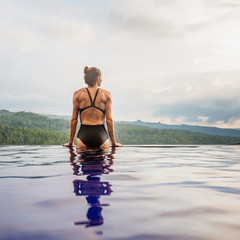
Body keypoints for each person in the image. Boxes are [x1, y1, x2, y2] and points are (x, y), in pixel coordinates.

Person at [63, 66, 122, 151]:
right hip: (101, 135)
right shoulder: (106, 95)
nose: (101, 80)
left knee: (83, 163)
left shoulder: (77, 94)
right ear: (97, 78)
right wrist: (113, 143)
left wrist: (70, 142)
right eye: (101, 78)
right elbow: (109, 121)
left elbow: (74, 120)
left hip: (83, 135)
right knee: (102, 163)